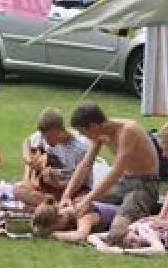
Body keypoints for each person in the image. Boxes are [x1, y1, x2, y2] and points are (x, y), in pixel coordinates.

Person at [62, 102, 160, 246]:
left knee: (117, 233)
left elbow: (116, 170)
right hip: (123, 182)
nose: (85, 137)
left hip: (143, 185)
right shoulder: (100, 134)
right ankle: (83, 227)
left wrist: (89, 199)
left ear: (93, 126)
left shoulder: (128, 130)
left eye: (83, 132)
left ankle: (145, 216)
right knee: (77, 203)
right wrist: (67, 195)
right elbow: (85, 164)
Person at [14, 107, 96, 206]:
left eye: (49, 137)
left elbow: (82, 180)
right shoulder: (44, 135)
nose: (46, 141)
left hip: (75, 189)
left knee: (81, 202)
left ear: (59, 131)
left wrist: (58, 184)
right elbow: (27, 142)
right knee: (18, 190)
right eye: (44, 137)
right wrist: (29, 159)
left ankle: (54, 207)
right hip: (50, 190)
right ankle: (56, 207)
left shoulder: (81, 147)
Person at [31, 195, 118, 243]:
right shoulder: (66, 211)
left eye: (54, 227)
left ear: (59, 218)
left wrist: (52, 234)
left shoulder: (83, 214)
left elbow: (80, 236)